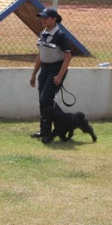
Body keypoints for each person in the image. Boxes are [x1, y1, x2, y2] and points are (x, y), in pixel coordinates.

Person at [29, 8, 71, 142]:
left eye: (46, 18)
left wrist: (59, 75)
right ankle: (45, 130)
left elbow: (68, 57)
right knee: (43, 100)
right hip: (45, 69)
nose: (43, 20)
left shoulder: (60, 35)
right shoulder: (43, 33)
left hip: (56, 69)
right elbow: (40, 55)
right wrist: (34, 73)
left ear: (54, 19)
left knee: (46, 99)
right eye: (42, 18)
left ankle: (62, 122)